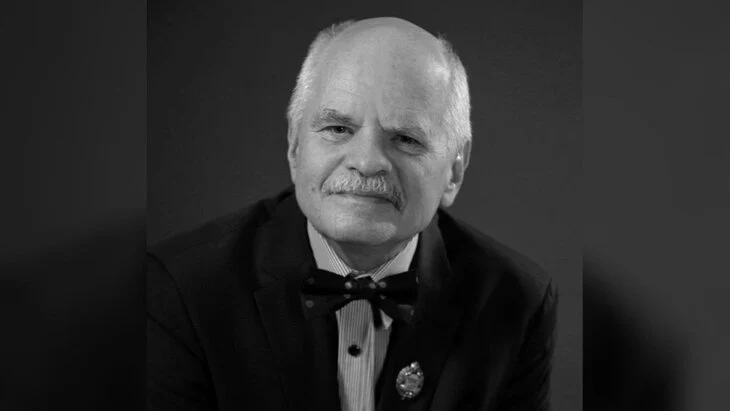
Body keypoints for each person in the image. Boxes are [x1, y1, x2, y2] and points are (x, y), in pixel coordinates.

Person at [147, 17, 558, 411]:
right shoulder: (181, 289)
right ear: (295, 147)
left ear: (454, 170)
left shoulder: (516, 301)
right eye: (338, 129)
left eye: (405, 138)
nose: (366, 162)